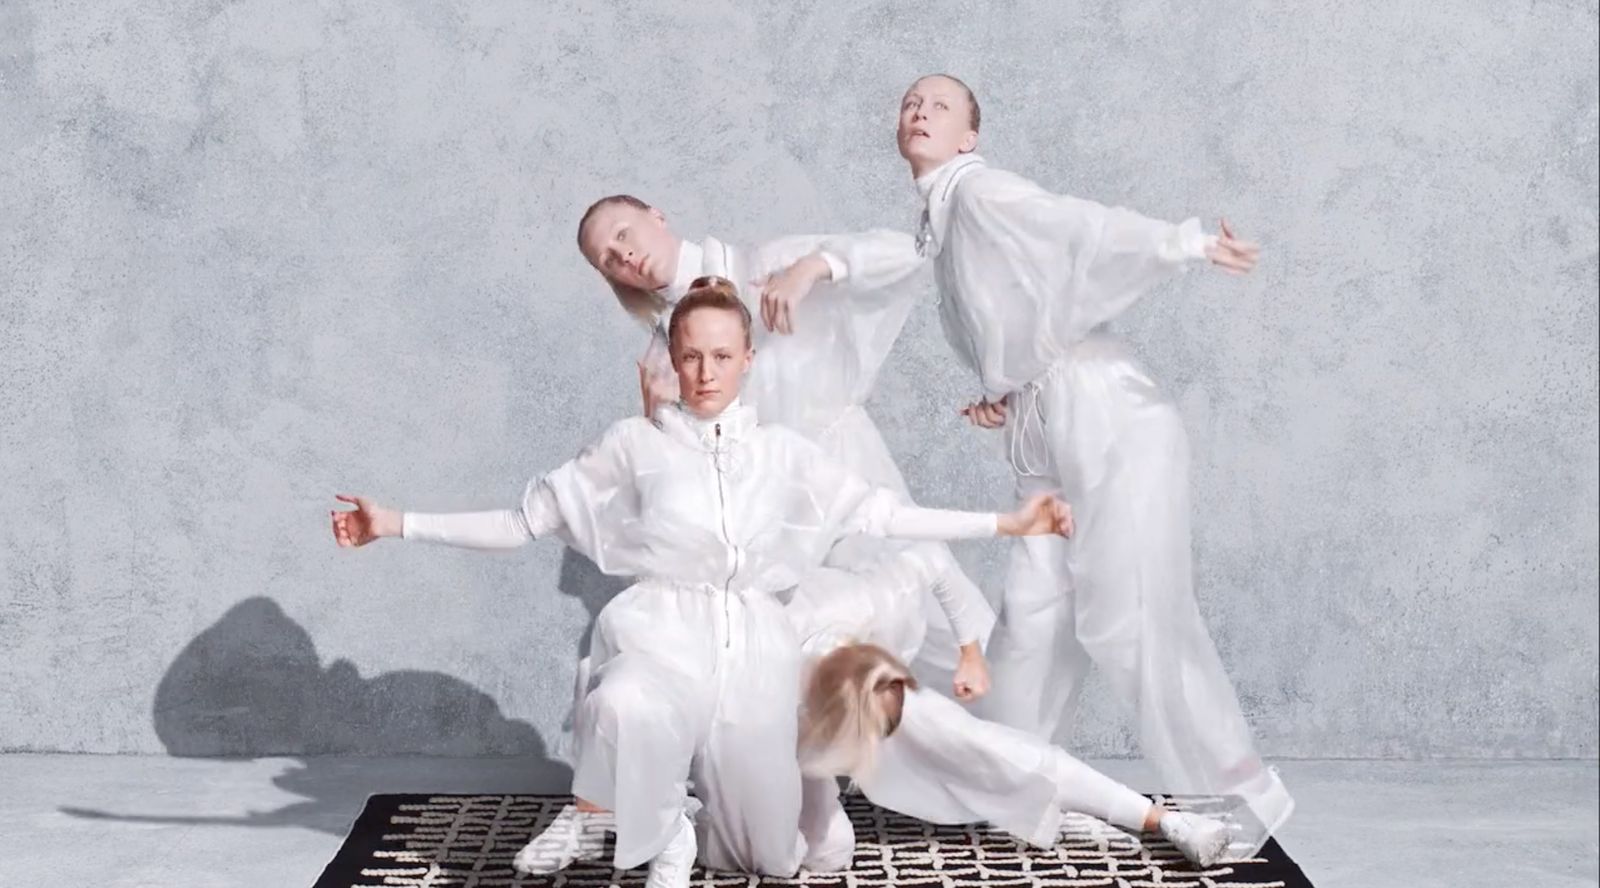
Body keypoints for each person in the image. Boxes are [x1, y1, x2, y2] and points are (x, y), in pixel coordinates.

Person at [330, 278, 1073, 886]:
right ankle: (663, 836)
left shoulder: (784, 453)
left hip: (756, 652)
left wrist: (1005, 525)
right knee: (621, 702)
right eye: (691, 357)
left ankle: (704, 817)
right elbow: (524, 521)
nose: (706, 374)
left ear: (749, 357)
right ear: (673, 364)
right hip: (665, 633)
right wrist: (397, 522)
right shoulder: (633, 445)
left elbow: (884, 514)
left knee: (771, 860)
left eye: (721, 356)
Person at [760, 73, 1290, 857]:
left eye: (940, 105)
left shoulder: (978, 192)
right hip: (1046, 423)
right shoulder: (938, 224)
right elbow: (992, 307)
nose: (919, 112)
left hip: (1109, 414)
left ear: (970, 136)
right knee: (1034, 621)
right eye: (909, 103)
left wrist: (1187, 243)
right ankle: (1017, 788)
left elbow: (1073, 227)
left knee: (1131, 614)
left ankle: (1236, 796)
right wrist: (1009, 395)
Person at [576, 196, 995, 697]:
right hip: (773, 517)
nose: (624, 257)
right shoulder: (662, 352)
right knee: (807, 662)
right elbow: (684, 482)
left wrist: (814, 268)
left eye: (623, 233)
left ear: (657, 216)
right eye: (608, 259)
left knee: (927, 619)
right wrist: (657, 419)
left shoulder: (761, 265)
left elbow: (909, 252)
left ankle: (1001, 754)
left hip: (849, 473)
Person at [798, 642, 1234, 869]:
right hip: (807, 726)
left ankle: (1166, 821)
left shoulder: (913, 712)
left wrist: (969, 651)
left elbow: (928, 567)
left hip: (869, 696)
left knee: (1007, 760)